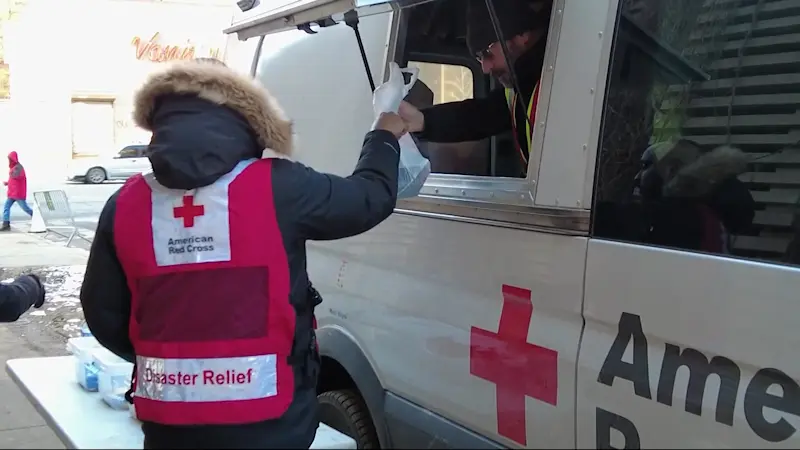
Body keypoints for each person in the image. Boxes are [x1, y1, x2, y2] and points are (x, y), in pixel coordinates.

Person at [79, 59, 406, 449]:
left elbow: (102, 310)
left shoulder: (125, 204)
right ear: (244, 114)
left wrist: (171, 362)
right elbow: (368, 198)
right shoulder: (280, 188)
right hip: (273, 423)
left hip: (169, 426)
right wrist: (384, 134)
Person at [399, 0, 552, 177]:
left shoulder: (559, 84)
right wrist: (422, 121)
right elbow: (481, 116)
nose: (486, 69)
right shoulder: (520, 87)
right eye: (479, 59)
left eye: (487, 53)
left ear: (522, 34)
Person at [2, 151, 34, 231]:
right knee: (6, 207)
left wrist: (11, 172)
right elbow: (13, 180)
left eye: (10, 159)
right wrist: (7, 183)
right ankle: (6, 224)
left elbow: (17, 176)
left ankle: (35, 216)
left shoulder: (19, 167)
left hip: (18, 194)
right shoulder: (13, 168)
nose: (9, 160)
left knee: (25, 208)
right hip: (12, 193)